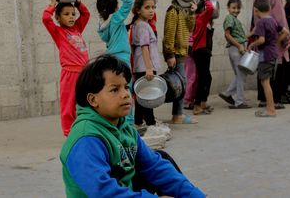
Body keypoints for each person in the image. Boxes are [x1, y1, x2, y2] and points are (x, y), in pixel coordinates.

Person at [60, 54, 205, 197]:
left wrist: (196, 196)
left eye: (126, 87)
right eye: (114, 89)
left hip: (122, 189)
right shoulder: (86, 139)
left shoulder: (126, 129)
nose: (125, 95)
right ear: (93, 100)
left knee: (160, 160)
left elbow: (154, 166)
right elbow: (104, 193)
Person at [42, 0, 90, 137]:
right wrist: (52, 5)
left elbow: (86, 14)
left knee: (85, 102)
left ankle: (84, 127)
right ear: (58, 18)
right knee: (68, 104)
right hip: (70, 73)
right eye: (66, 14)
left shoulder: (77, 28)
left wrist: (77, 2)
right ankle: (69, 132)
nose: (71, 17)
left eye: (73, 14)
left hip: (84, 73)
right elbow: (45, 18)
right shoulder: (58, 32)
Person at [128, 0, 171, 142]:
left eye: (153, 7)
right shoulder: (142, 26)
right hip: (145, 67)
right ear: (138, 10)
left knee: (142, 97)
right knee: (148, 97)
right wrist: (148, 68)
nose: (151, 10)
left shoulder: (140, 24)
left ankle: (139, 122)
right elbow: (144, 48)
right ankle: (151, 123)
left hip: (142, 66)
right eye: (147, 7)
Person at [253, 0, 290, 110]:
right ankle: (274, 101)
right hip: (274, 38)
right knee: (276, 69)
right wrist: (285, 38)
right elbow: (280, 18)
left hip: (261, 36)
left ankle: (262, 99)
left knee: (262, 70)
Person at [163, 0, 198, 124]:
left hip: (182, 52)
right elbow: (169, 34)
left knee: (181, 83)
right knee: (179, 84)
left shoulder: (183, 11)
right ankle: (177, 115)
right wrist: (169, 55)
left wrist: (192, 12)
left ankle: (178, 115)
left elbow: (191, 27)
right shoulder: (173, 11)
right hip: (176, 53)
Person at [248, 0, 288, 117]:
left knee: (265, 82)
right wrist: (276, 41)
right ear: (269, 8)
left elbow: (261, 40)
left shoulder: (261, 22)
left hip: (265, 55)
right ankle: (270, 108)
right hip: (273, 53)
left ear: (255, 11)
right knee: (267, 81)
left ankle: (271, 109)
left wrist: (251, 44)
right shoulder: (273, 20)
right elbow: (285, 31)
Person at [219, 0, 251, 109]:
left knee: (240, 74)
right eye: (233, 8)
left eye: (238, 8)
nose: (236, 10)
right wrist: (239, 46)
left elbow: (239, 36)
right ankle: (239, 102)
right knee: (242, 75)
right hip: (236, 49)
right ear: (228, 8)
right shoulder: (229, 18)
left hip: (237, 48)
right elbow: (227, 35)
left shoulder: (234, 19)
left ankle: (227, 93)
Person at [191, 0, 215, 115]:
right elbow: (211, 8)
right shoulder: (201, 18)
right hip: (201, 51)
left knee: (207, 77)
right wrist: (206, 0)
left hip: (203, 51)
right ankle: (197, 105)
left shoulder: (202, 19)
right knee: (203, 78)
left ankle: (203, 102)